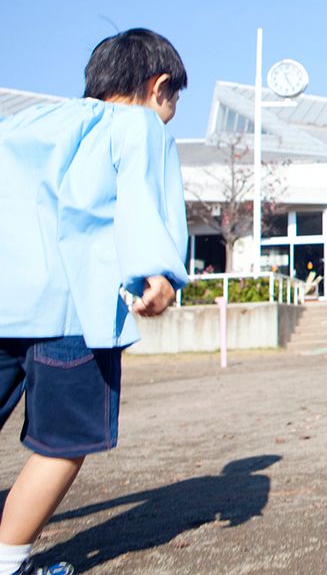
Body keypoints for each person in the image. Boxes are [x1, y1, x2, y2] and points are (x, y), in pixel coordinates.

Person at [0, 29, 190, 575]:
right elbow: (138, 196)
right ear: (159, 88)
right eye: (174, 101)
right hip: (72, 312)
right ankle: (10, 562)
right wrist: (156, 271)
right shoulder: (138, 125)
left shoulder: (28, 124)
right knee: (63, 442)